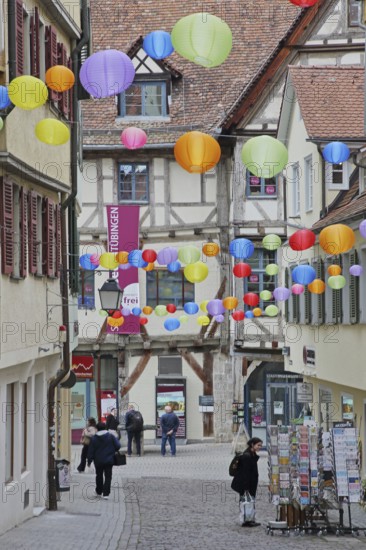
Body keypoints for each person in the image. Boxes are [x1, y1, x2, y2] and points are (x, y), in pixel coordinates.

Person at [231, 437, 263, 527]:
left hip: (251, 483)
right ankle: (246, 520)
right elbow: (245, 473)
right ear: (252, 445)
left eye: (260, 445)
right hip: (246, 484)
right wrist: (246, 488)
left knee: (250, 501)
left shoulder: (252, 454)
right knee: (245, 502)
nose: (260, 447)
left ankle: (250, 519)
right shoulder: (247, 456)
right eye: (258, 445)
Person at [87, 421, 121, 499]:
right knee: (108, 476)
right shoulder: (110, 436)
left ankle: (99, 491)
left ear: (97, 429)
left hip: (98, 461)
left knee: (99, 476)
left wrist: (89, 461)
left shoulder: (94, 438)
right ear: (105, 427)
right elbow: (118, 446)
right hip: (109, 460)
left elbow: (91, 451)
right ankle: (106, 493)